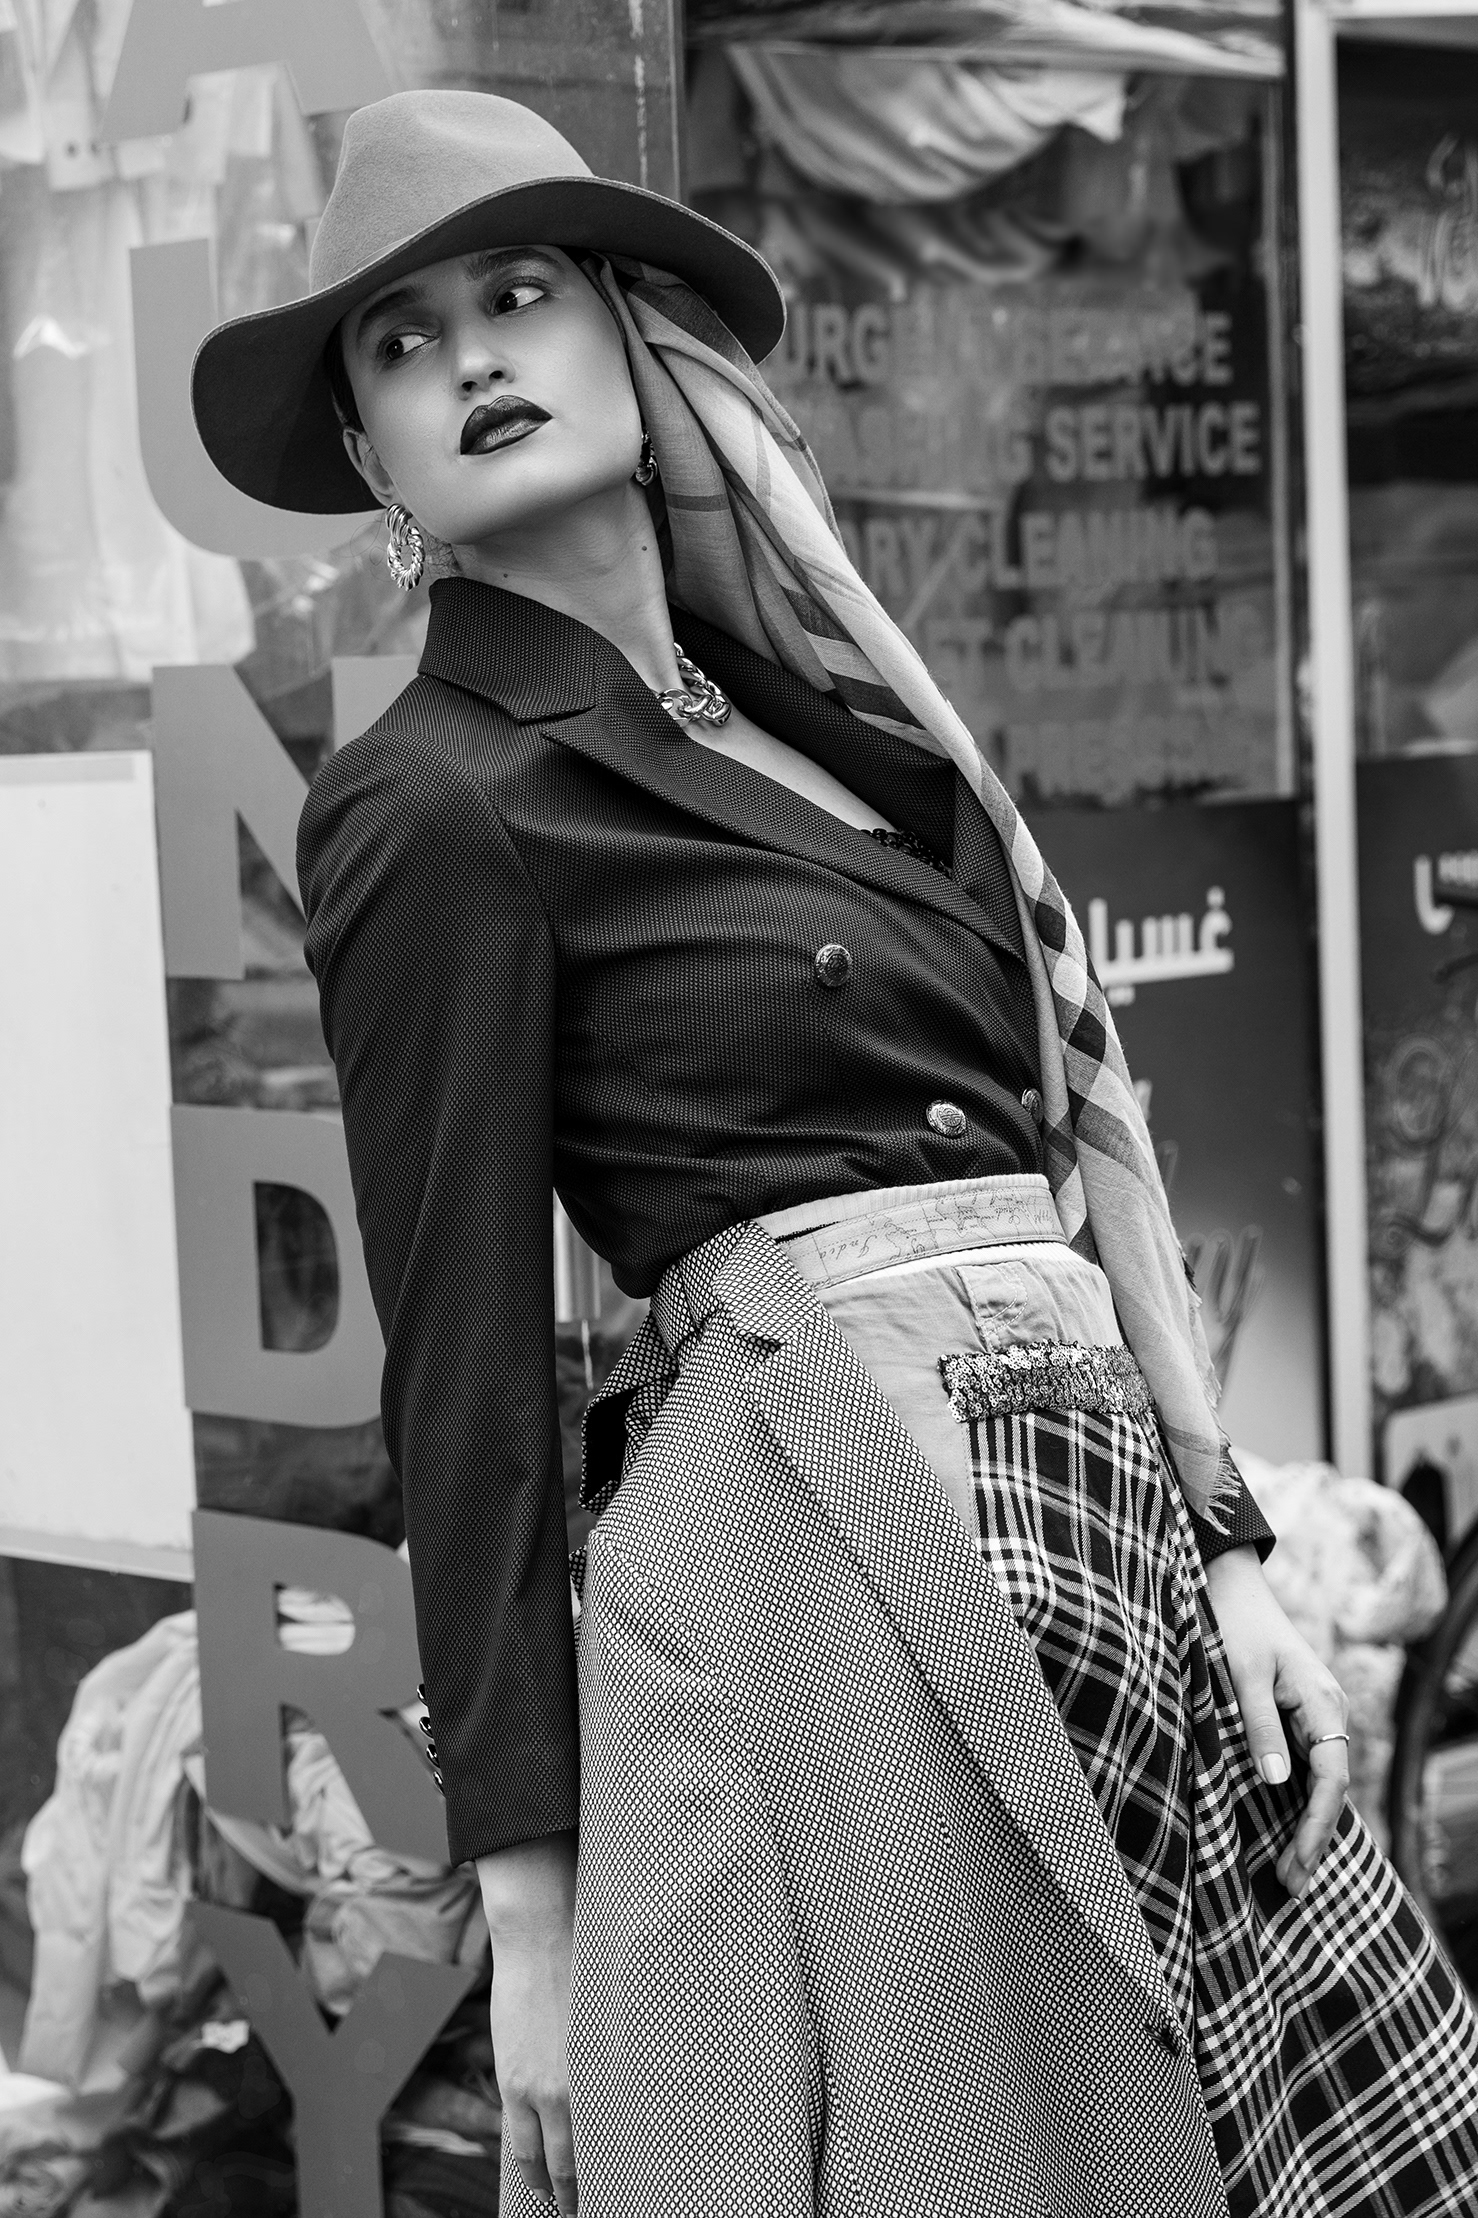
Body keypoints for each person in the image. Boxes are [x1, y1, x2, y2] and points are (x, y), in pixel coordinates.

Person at [194, 87, 1478, 2218]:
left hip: (1086, 1511)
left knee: (1278, 2135)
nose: (472, 358)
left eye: (518, 296)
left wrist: (1225, 1545)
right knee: (992, 2151)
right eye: (403, 345)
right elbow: (462, 1367)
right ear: (372, 457)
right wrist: (530, 1896)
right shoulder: (427, 798)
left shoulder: (847, 721)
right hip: (812, 1555)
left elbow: (1067, 1150)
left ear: (632, 338)